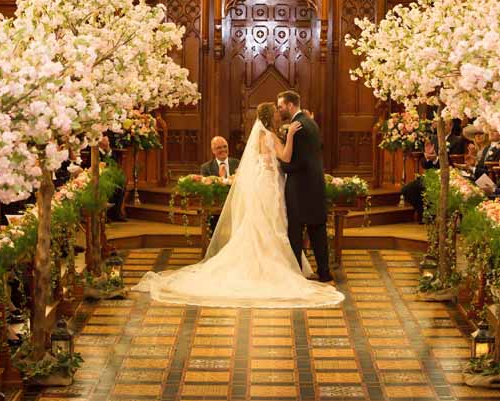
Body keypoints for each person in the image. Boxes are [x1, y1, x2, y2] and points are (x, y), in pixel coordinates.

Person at [132, 101, 343, 308]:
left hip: (264, 182)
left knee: (265, 223)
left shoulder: (262, 134)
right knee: (273, 222)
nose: (279, 114)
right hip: (270, 184)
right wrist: (289, 136)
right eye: (276, 112)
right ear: (271, 117)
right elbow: (286, 156)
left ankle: (271, 262)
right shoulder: (269, 136)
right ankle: (271, 267)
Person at [276, 90, 334, 283]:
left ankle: (296, 274)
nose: (280, 110)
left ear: (290, 105)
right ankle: (324, 273)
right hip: (315, 184)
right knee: (317, 230)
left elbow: (298, 162)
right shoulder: (310, 122)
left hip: (300, 187)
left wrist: (281, 165)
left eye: (281, 106)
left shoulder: (298, 125)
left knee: (295, 231)